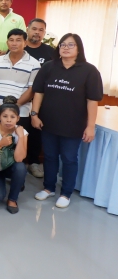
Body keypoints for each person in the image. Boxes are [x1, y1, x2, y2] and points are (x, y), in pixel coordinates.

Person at [31, 33, 103, 208]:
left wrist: (90, 126)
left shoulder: (89, 71)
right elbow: (39, 92)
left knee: (69, 158)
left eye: (71, 45)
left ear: (79, 49)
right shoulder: (48, 67)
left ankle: (66, 193)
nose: (65, 48)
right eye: (62, 44)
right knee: (49, 156)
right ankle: (49, 188)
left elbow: (92, 100)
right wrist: (34, 114)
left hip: (73, 125)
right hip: (48, 122)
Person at [0, 29, 40, 131]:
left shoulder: (34, 64)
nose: (14, 43)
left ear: (25, 43)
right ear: (7, 43)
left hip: (20, 112)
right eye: (11, 40)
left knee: (18, 139)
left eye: (18, 40)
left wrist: (15, 107)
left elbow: (32, 89)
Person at [23, 18, 55, 177]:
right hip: (21, 99)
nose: (37, 32)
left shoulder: (50, 52)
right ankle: (18, 162)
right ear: (27, 29)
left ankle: (34, 162)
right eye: (34, 29)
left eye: (41, 30)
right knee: (20, 130)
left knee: (37, 131)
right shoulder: (19, 48)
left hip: (42, 99)